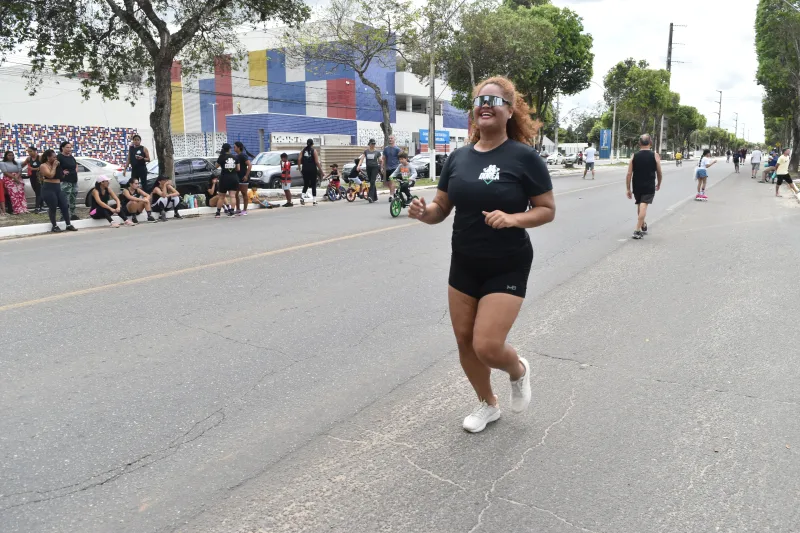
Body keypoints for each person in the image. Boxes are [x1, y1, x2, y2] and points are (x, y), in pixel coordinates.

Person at [408, 76, 556, 433]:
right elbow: (442, 208)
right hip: (464, 262)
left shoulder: (524, 157)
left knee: (487, 345)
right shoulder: (458, 158)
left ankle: (517, 370)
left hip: (507, 263)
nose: (485, 105)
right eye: (479, 101)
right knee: (464, 341)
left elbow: (546, 209)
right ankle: (488, 404)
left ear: (509, 111)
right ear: (473, 114)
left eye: (494, 100)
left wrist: (512, 218)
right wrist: (424, 213)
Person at [625, 135, 663, 239]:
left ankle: (643, 224)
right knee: (643, 206)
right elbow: (659, 172)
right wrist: (659, 183)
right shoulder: (655, 155)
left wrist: (628, 188)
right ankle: (637, 230)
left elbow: (629, 173)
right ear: (650, 142)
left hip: (636, 185)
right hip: (649, 185)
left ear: (639, 143)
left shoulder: (634, 156)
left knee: (639, 205)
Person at [38, 149, 77, 232]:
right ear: (48, 157)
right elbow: (50, 175)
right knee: (53, 207)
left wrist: (62, 172)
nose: (56, 159)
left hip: (57, 187)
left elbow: (60, 176)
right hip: (49, 188)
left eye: (56, 157)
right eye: (54, 157)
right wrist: (55, 166)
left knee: (64, 205)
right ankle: (54, 225)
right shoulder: (43, 166)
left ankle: (68, 224)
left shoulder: (56, 164)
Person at [215, 143, 239, 218]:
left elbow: (216, 166)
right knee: (232, 196)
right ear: (229, 149)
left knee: (221, 197)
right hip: (233, 178)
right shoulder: (235, 157)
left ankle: (218, 213)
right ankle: (232, 211)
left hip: (224, 178)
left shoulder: (221, 157)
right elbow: (238, 169)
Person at [57, 141, 80, 220]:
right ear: (62, 148)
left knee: (73, 198)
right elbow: (55, 167)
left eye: (70, 147)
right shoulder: (59, 157)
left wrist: (76, 170)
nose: (69, 149)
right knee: (65, 199)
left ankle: (73, 214)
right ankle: (64, 215)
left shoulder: (71, 157)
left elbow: (76, 164)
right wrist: (61, 172)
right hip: (65, 181)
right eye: (67, 147)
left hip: (74, 180)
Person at [357, 139, 382, 203]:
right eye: (372, 144)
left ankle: (370, 196)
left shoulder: (377, 152)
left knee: (373, 181)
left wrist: (381, 164)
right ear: (369, 144)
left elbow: (380, 160)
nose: (373, 145)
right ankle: (375, 197)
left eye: (374, 144)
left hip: (375, 168)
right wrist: (358, 165)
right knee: (371, 182)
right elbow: (362, 159)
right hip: (368, 168)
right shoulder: (366, 151)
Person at [298, 139, 321, 205]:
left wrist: (299, 167)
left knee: (306, 184)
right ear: (312, 144)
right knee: (313, 184)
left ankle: (302, 197)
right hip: (312, 169)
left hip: (305, 169)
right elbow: (316, 162)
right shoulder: (314, 151)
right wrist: (320, 170)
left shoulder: (303, 150)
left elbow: (299, 159)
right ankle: (314, 201)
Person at [234, 141, 254, 215]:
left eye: (235, 147)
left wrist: (246, 175)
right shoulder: (236, 156)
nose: (234, 148)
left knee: (244, 193)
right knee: (235, 194)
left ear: (239, 148)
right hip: (237, 177)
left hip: (243, 177)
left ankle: (245, 210)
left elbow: (250, 165)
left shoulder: (243, 155)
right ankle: (238, 209)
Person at [22, 146, 43, 213]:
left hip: (39, 177)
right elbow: (22, 165)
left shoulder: (40, 158)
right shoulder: (29, 158)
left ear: (35, 151)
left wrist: (33, 169)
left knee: (38, 192)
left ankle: (37, 208)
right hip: (32, 177)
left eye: (30, 151)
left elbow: (44, 167)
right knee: (36, 191)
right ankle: (41, 207)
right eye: (28, 151)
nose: (29, 153)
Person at [382, 135, 401, 201]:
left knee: (392, 181)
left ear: (394, 139)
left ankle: (391, 195)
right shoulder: (386, 148)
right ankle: (394, 192)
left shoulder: (397, 149)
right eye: (389, 138)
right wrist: (382, 167)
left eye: (391, 138)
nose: (390, 139)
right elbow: (384, 158)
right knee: (387, 183)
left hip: (395, 167)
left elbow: (401, 157)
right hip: (388, 168)